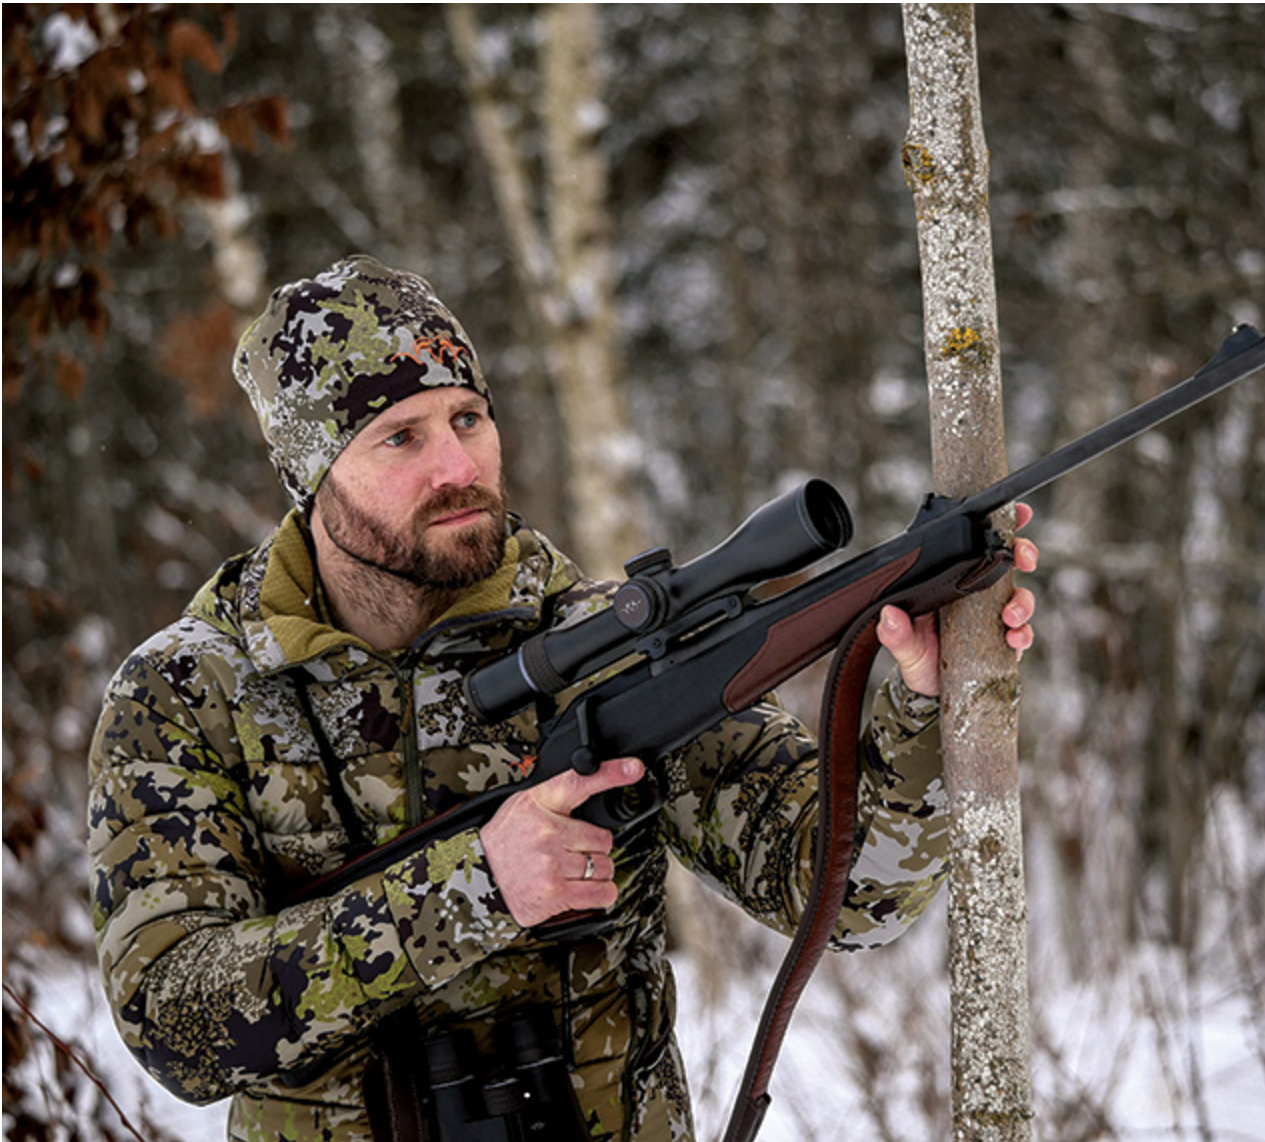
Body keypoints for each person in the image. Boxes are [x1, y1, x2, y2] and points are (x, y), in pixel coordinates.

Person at [87, 255, 1039, 1142]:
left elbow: (847, 891)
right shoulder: (187, 693)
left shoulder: (604, 646)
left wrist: (921, 708)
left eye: (468, 419)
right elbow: (176, 1023)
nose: (457, 468)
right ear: (313, 476)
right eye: (400, 438)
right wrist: (477, 887)